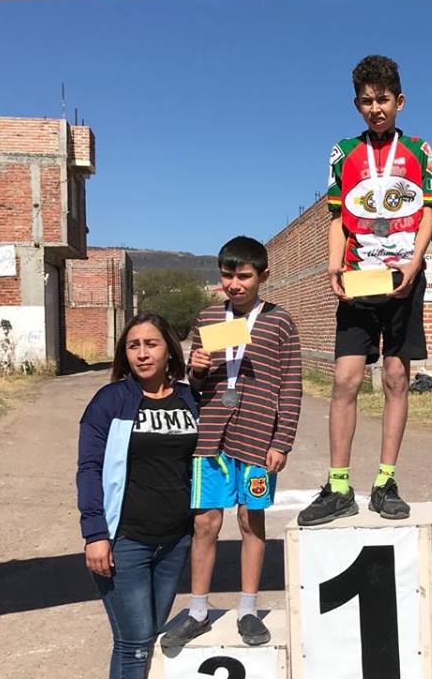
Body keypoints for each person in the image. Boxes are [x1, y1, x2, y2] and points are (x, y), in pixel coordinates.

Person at [298, 55, 432, 526]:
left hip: (402, 278)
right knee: (345, 380)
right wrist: (334, 266)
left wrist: (415, 264)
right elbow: (337, 216)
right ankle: (338, 485)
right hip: (359, 278)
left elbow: (428, 213)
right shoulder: (343, 152)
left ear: (399, 101)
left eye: (383, 100)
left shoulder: (419, 150)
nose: (375, 108)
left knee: (398, 379)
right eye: (366, 101)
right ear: (356, 104)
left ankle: (385, 481)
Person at [161, 236, 302, 648]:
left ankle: (247, 609)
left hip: (259, 437)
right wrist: (197, 367)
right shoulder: (208, 318)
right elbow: (196, 380)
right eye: (227, 275)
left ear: (263, 276)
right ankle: (198, 609)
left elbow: (291, 385)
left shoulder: (280, 322)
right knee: (205, 522)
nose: (235, 284)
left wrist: (283, 440)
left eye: (244, 276)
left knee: (249, 520)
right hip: (211, 436)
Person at [77, 313, 199, 678]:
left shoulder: (191, 399)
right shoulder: (111, 401)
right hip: (126, 541)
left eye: (151, 344)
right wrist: (95, 535)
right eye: (133, 346)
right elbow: (89, 470)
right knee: (134, 643)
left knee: (147, 638)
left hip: (175, 541)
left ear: (169, 351)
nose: (142, 354)